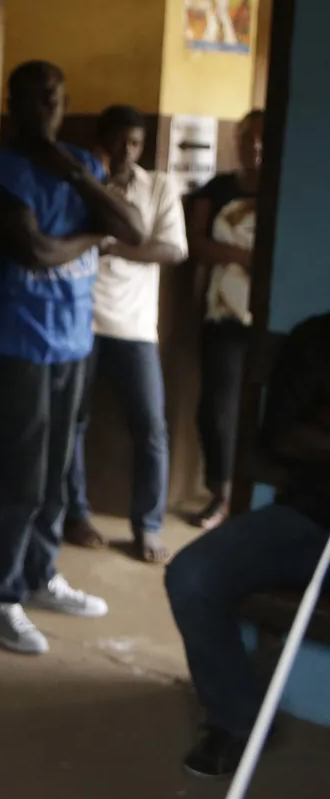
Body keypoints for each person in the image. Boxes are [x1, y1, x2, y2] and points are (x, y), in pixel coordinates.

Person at [0, 60, 147, 655]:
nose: (48, 104)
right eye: (37, 95)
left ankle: (40, 577)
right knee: (15, 478)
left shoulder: (84, 165)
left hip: (76, 345)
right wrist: (96, 234)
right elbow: (35, 251)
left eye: (57, 95)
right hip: (20, 347)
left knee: (55, 478)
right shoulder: (0, 174)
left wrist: (78, 175)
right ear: (13, 104)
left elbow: (135, 230)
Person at [166, 311, 330, 778]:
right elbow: (281, 437)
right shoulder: (318, 338)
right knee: (192, 575)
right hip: (309, 520)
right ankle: (237, 719)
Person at [65, 106, 188, 563]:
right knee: (73, 421)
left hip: (135, 327)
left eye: (134, 143)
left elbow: (173, 248)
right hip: (82, 321)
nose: (125, 151)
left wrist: (114, 245)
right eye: (118, 141)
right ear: (102, 141)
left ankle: (148, 526)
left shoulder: (157, 187)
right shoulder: (83, 182)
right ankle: (75, 514)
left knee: (151, 429)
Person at [187, 109, 266, 529]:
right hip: (222, 315)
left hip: (268, 319)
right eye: (246, 138)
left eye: (261, 139)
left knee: (264, 408)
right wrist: (242, 257)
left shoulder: (287, 188)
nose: (253, 147)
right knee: (217, 408)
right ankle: (221, 493)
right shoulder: (218, 190)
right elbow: (196, 244)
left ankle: (256, 497)